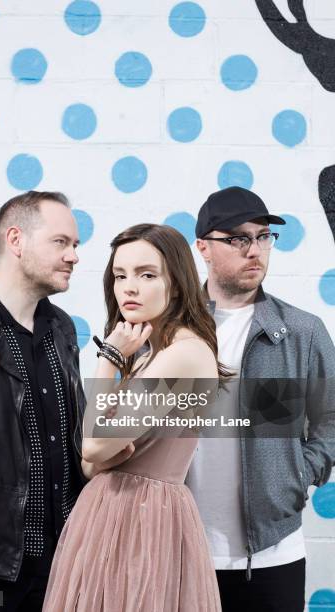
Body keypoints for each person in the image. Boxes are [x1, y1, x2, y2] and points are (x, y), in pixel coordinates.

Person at [0, 190, 130, 612]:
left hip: (64, 563)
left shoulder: (60, 328)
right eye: (61, 242)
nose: (74, 255)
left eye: (75, 245)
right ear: (16, 240)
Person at [42, 223, 223, 611]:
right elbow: (92, 462)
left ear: (176, 283)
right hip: (112, 515)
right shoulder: (149, 355)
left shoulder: (184, 355)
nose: (129, 287)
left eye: (146, 274)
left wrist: (109, 357)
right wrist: (100, 455)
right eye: (120, 276)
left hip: (145, 522)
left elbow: (92, 444)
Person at [186, 186, 335, 612]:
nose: (255, 250)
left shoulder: (302, 331)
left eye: (263, 236)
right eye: (238, 239)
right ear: (204, 248)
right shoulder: (171, 328)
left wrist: (299, 473)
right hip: (181, 550)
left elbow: (330, 418)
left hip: (274, 553)